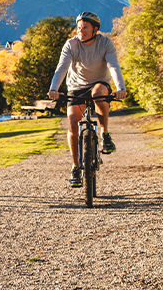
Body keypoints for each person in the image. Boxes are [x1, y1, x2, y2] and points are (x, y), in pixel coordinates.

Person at [47, 11, 128, 187]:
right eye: (78, 28)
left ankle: (105, 134)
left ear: (95, 29)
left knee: (99, 93)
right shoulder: (71, 45)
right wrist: (53, 89)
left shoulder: (105, 43)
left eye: (85, 28)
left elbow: (113, 66)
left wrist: (120, 88)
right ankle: (75, 167)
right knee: (72, 122)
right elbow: (61, 68)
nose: (80, 31)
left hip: (99, 83)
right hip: (76, 87)